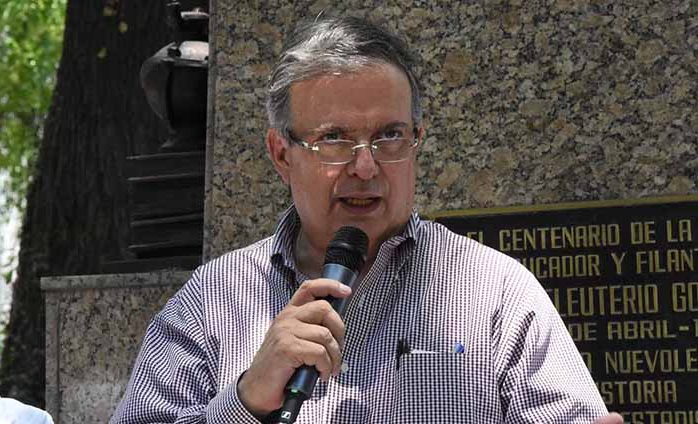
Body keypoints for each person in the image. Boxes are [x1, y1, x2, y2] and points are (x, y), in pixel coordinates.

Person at [111, 16, 623, 423]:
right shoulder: (211, 302)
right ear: (282, 154)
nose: (365, 166)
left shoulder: (498, 293)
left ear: (417, 139)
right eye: (334, 138)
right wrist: (245, 402)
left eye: (389, 136)